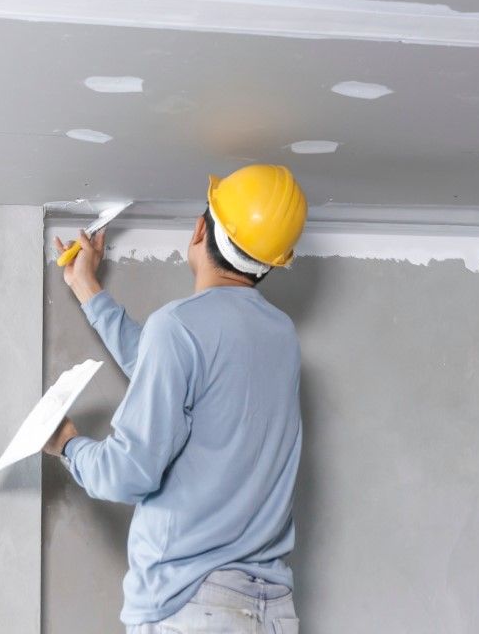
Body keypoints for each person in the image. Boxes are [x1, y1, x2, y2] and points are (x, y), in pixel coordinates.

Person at [44, 164, 307, 634]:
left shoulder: (180, 327)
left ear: (200, 228)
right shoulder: (281, 336)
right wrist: (87, 289)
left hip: (192, 605)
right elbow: (172, 373)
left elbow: (126, 475)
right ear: (272, 261)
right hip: (272, 612)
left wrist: (67, 444)